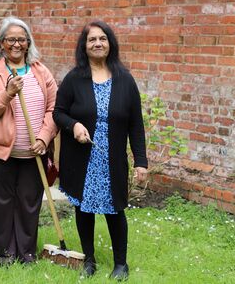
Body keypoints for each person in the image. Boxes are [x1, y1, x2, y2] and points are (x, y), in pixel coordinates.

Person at [53, 20, 148, 281]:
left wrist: (141, 162)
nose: (97, 43)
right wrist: (74, 126)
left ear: (110, 44)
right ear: (84, 46)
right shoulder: (74, 79)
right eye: (92, 39)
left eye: (102, 39)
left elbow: (135, 125)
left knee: (114, 210)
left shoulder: (125, 80)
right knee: (84, 209)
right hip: (81, 158)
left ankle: (121, 264)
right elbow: (58, 113)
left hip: (111, 159)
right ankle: (89, 261)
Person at [0, 16, 58, 265]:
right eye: (11, 39)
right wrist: (7, 93)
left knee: (28, 203)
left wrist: (44, 137)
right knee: (0, 204)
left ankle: (26, 252)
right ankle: (2, 253)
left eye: (22, 39)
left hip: (33, 153)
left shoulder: (40, 71)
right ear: (1, 43)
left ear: (28, 43)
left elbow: (54, 108)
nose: (16, 44)